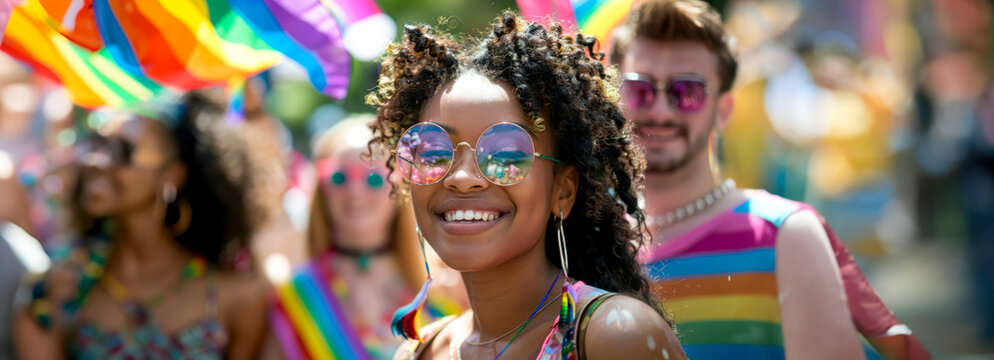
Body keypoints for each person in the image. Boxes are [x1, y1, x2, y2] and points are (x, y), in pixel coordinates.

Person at [609, 1, 929, 359]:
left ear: (724, 109)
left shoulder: (785, 234)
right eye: (640, 89)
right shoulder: (589, 238)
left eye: (688, 91)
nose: (662, 109)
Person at [365, 12, 687, 360]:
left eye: (505, 153)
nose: (461, 178)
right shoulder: (419, 350)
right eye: (431, 150)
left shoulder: (616, 335)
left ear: (562, 191)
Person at [13, 91, 270, 359]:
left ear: (173, 175)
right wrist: (47, 314)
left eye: (123, 150)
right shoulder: (59, 293)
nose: (95, 161)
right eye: (95, 144)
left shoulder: (237, 298)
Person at [269, 115, 463, 359]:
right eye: (339, 178)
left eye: (373, 178)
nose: (355, 192)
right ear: (322, 188)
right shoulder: (296, 294)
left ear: (399, 188)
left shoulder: (447, 281)